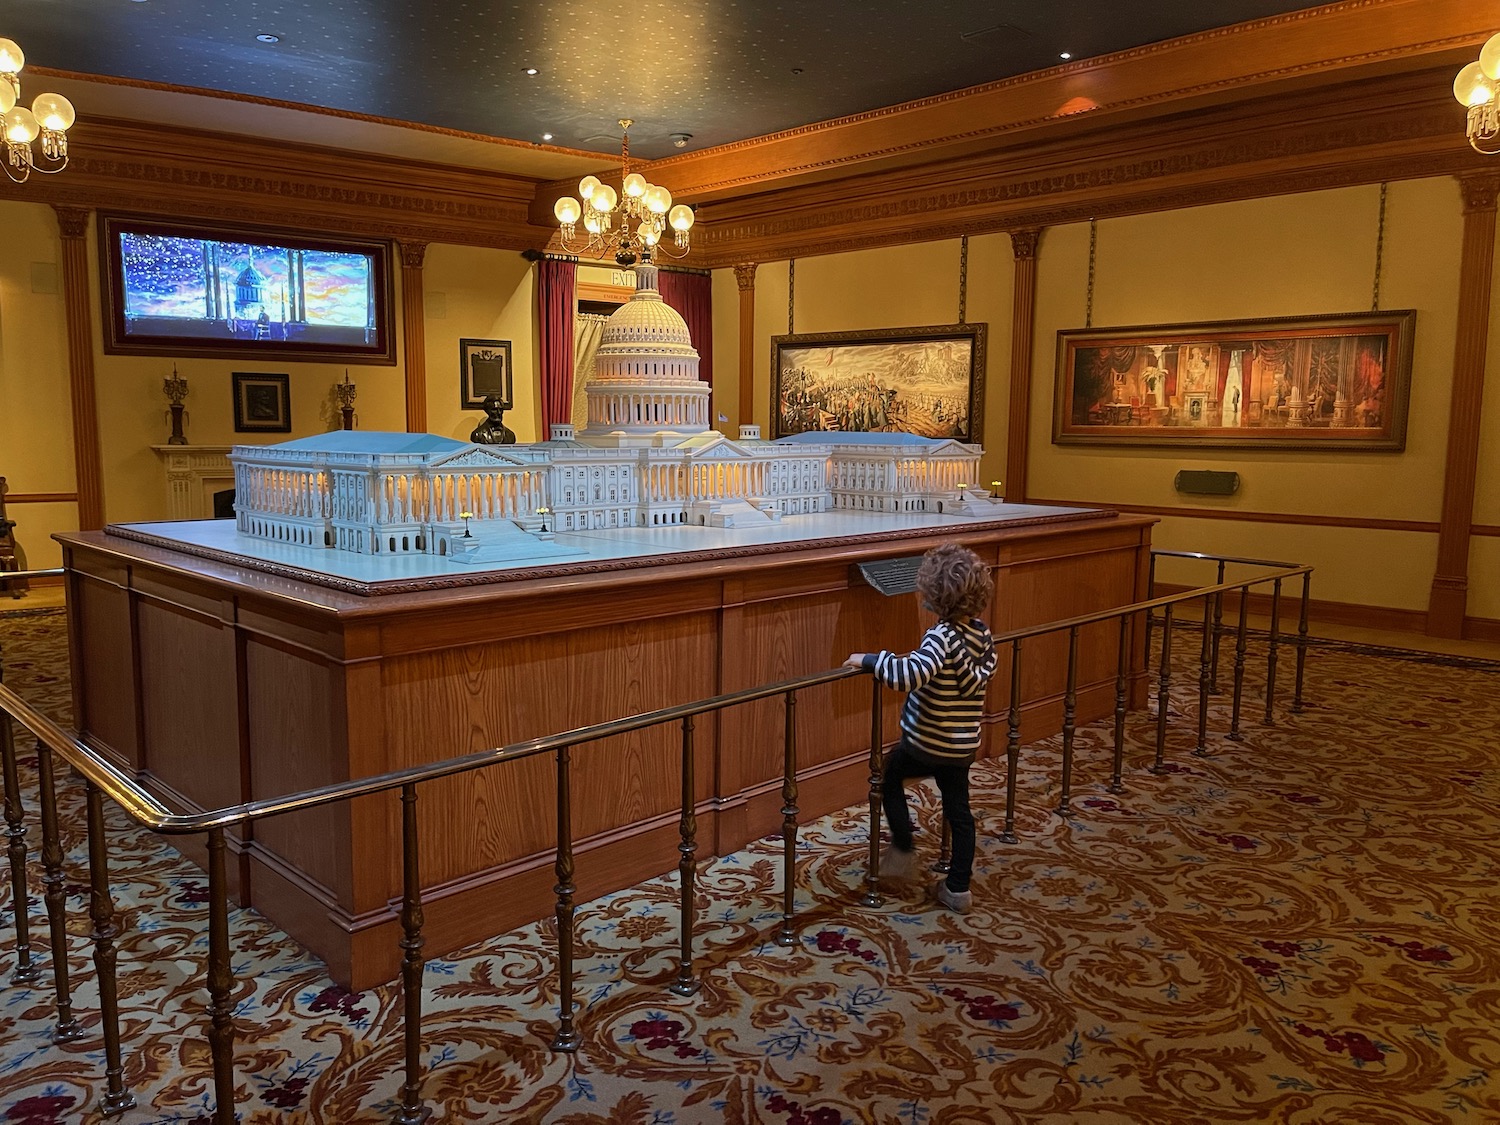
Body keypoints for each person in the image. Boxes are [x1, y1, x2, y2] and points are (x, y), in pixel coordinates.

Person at [844, 543, 998, 913]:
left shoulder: (940, 637)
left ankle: (902, 846)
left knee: (889, 777)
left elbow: (909, 675)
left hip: (925, 742)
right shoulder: (982, 635)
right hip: (961, 747)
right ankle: (958, 888)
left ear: (933, 595)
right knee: (959, 812)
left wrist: (869, 660)